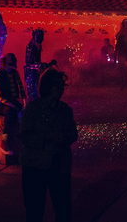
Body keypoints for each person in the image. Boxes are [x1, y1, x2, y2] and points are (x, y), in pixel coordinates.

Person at [20, 68, 78, 222]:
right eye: (56, 85)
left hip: (60, 166)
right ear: (46, 86)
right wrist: (46, 137)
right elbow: (24, 136)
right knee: (35, 210)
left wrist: (65, 138)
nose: (60, 89)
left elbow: (73, 134)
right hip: (35, 166)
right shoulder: (33, 108)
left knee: (63, 210)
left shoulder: (66, 110)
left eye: (62, 85)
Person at [0, 53, 26, 156]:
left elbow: (21, 88)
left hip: (14, 101)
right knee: (10, 112)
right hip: (4, 104)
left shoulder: (15, 73)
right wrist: (14, 107)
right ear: (5, 63)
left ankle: (24, 141)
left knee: (28, 112)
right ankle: (4, 141)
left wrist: (24, 103)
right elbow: (0, 97)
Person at [24, 29, 47, 101]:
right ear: (34, 36)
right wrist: (40, 66)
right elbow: (28, 64)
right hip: (31, 73)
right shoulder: (31, 47)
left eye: (42, 36)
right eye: (39, 36)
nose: (41, 38)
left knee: (36, 93)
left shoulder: (37, 46)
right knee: (32, 94)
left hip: (35, 73)